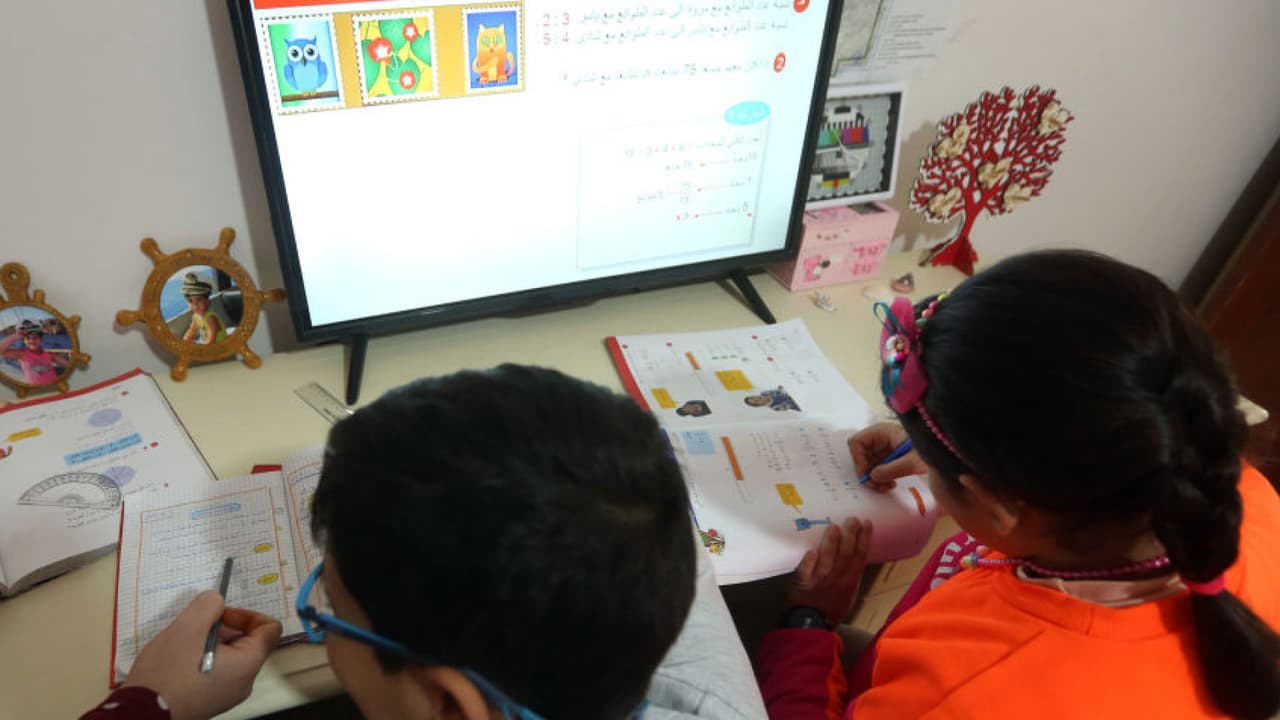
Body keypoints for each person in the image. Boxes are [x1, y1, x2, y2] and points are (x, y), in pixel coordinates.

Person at [755, 250, 1280, 719]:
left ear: (999, 503)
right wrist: (957, 443)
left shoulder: (958, 692)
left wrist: (808, 622)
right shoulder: (1235, 491)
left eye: (937, 469)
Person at [81, 364, 768, 720]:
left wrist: (151, 702)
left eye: (328, 612)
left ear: (449, 706)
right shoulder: (711, 691)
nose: (320, 617)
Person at [0, 319, 68, 384]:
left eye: (35, 337)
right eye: (28, 338)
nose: (31, 341)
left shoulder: (49, 354)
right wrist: (16, 336)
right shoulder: (21, 354)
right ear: (24, 341)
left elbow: (67, 364)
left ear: (41, 340)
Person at [179, 273, 228, 345]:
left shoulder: (211, 319)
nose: (195, 304)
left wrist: (197, 345)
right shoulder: (196, 316)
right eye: (190, 301)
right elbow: (191, 330)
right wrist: (185, 340)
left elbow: (211, 341)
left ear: (208, 302)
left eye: (198, 299)